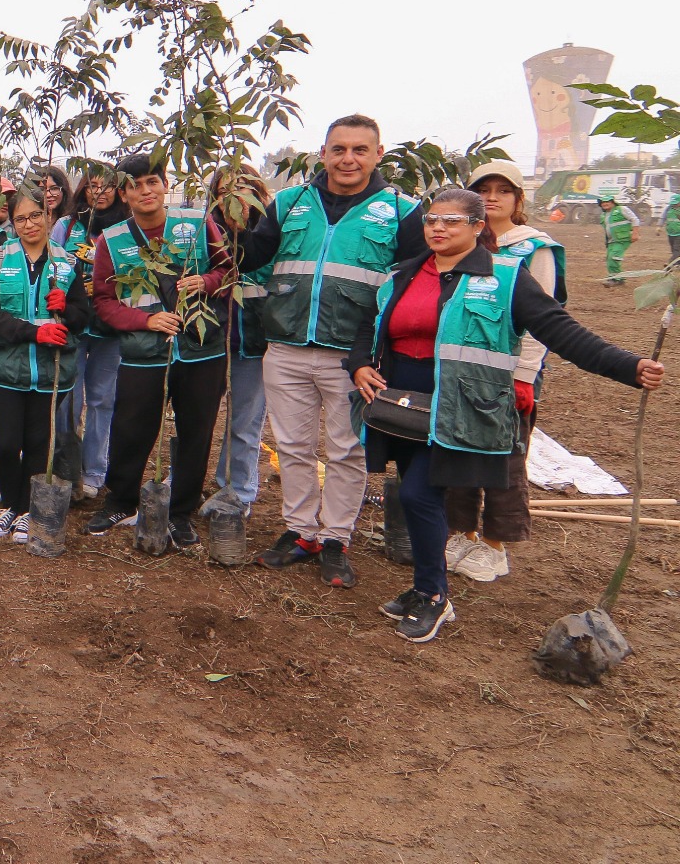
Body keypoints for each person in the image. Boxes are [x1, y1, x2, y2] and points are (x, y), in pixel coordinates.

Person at [349, 187, 663, 642]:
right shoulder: (402, 273)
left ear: (478, 227)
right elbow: (369, 324)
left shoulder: (506, 278)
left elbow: (563, 332)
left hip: (463, 410)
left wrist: (628, 367)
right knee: (416, 495)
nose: (438, 227)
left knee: (418, 495)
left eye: (452, 221)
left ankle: (434, 598)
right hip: (404, 409)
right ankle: (425, 589)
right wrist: (359, 363)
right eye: (432, 219)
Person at [237, 114, 425, 588]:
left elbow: (412, 283)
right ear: (323, 153)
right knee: (293, 445)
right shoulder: (290, 201)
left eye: (360, 150)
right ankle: (301, 532)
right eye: (339, 149)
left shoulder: (403, 211)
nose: (348, 158)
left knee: (346, 449)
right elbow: (253, 257)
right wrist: (225, 220)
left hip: (355, 357)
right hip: (286, 346)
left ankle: (337, 537)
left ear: (378, 155)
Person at [87, 155, 231, 543]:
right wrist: (144, 321)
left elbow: (227, 270)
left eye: (152, 181)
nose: (145, 191)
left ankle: (181, 511)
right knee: (131, 425)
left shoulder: (197, 223)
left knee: (196, 430)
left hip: (201, 349)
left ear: (165, 185)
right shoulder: (112, 241)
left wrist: (206, 281)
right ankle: (121, 499)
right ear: (123, 194)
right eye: (135, 185)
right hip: (143, 351)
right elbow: (103, 299)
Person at [441, 162, 564, 582]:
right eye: (483, 190)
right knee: (456, 451)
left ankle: (495, 545)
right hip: (460, 369)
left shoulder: (534, 249)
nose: (493, 197)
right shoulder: (461, 241)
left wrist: (526, 374)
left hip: (508, 374)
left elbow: (544, 318)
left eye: (503, 191)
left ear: (518, 199)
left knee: (505, 459)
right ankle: (461, 534)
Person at [0, 188, 91, 538]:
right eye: (21, 218)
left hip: (50, 371)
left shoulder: (66, 262)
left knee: (40, 441)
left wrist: (66, 307)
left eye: (36, 216)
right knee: (8, 442)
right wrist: (32, 333)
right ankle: (11, 504)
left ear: (48, 215)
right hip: (7, 367)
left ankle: (29, 509)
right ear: (13, 222)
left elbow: (82, 317)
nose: (29, 224)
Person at [53, 168, 129, 499]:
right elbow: (50, 266)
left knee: (102, 399)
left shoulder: (126, 228)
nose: (99, 193)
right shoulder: (66, 226)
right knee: (69, 398)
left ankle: (95, 469)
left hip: (110, 328)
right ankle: (66, 467)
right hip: (72, 324)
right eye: (92, 186)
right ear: (83, 190)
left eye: (107, 187)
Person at [208, 171, 273, 514]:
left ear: (256, 192)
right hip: (210, 344)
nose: (232, 199)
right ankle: (182, 479)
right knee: (198, 417)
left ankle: (238, 492)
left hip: (254, 345)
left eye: (241, 190)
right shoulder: (207, 234)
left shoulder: (272, 234)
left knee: (245, 423)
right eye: (223, 192)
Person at [599, 195, 638, 285]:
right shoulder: (604, 215)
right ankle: (618, 278)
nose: (605, 204)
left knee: (614, 258)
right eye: (603, 203)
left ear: (613, 202)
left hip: (622, 239)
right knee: (609, 259)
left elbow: (635, 220)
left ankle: (615, 279)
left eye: (607, 202)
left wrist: (635, 233)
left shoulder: (622, 209)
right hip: (611, 241)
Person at [666, 192, 680, 265]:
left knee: (676, 249)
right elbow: (664, 217)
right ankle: (677, 264)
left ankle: (670, 263)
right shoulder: (669, 208)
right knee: (673, 249)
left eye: (676, 203)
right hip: (670, 233)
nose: (674, 205)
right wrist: (659, 226)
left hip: (679, 233)